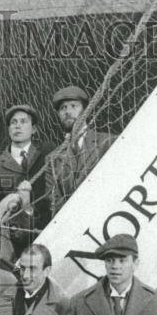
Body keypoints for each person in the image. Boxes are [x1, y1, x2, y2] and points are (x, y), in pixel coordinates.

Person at [0, 105, 55, 253]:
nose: (18, 126)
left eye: (23, 121)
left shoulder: (48, 152)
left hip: (50, 230)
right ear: (9, 130)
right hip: (15, 239)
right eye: (13, 122)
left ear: (34, 129)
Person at [44, 85, 113, 219]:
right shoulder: (52, 160)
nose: (67, 111)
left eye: (73, 106)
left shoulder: (107, 141)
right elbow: (54, 202)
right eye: (63, 108)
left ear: (85, 110)